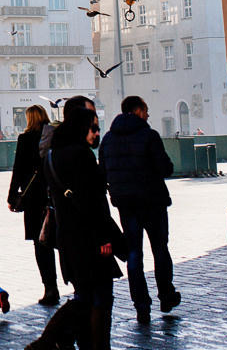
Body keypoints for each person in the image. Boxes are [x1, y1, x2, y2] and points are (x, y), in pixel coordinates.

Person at [28, 107, 123, 350]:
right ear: (81, 128)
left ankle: (58, 340)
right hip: (89, 238)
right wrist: (104, 237)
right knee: (99, 297)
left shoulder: (52, 155)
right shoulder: (81, 155)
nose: (96, 133)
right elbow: (91, 203)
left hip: (68, 237)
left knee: (84, 295)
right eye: (93, 128)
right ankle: (52, 341)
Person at [99, 96, 179, 323]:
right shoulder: (149, 136)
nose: (148, 115)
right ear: (138, 111)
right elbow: (165, 168)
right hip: (153, 202)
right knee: (160, 249)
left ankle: (141, 305)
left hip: (126, 205)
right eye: (146, 110)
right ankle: (165, 295)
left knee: (134, 253)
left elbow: (102, 172)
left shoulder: (108, 139)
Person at [8, 104, 60, 305]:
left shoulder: (25, 139)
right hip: (55, 194)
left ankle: (50, 288)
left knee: (41, 244)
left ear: (30, 119)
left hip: (33, 199)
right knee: (62, 240)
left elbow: (18, 170)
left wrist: (13, 197)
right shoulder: (55, 136)